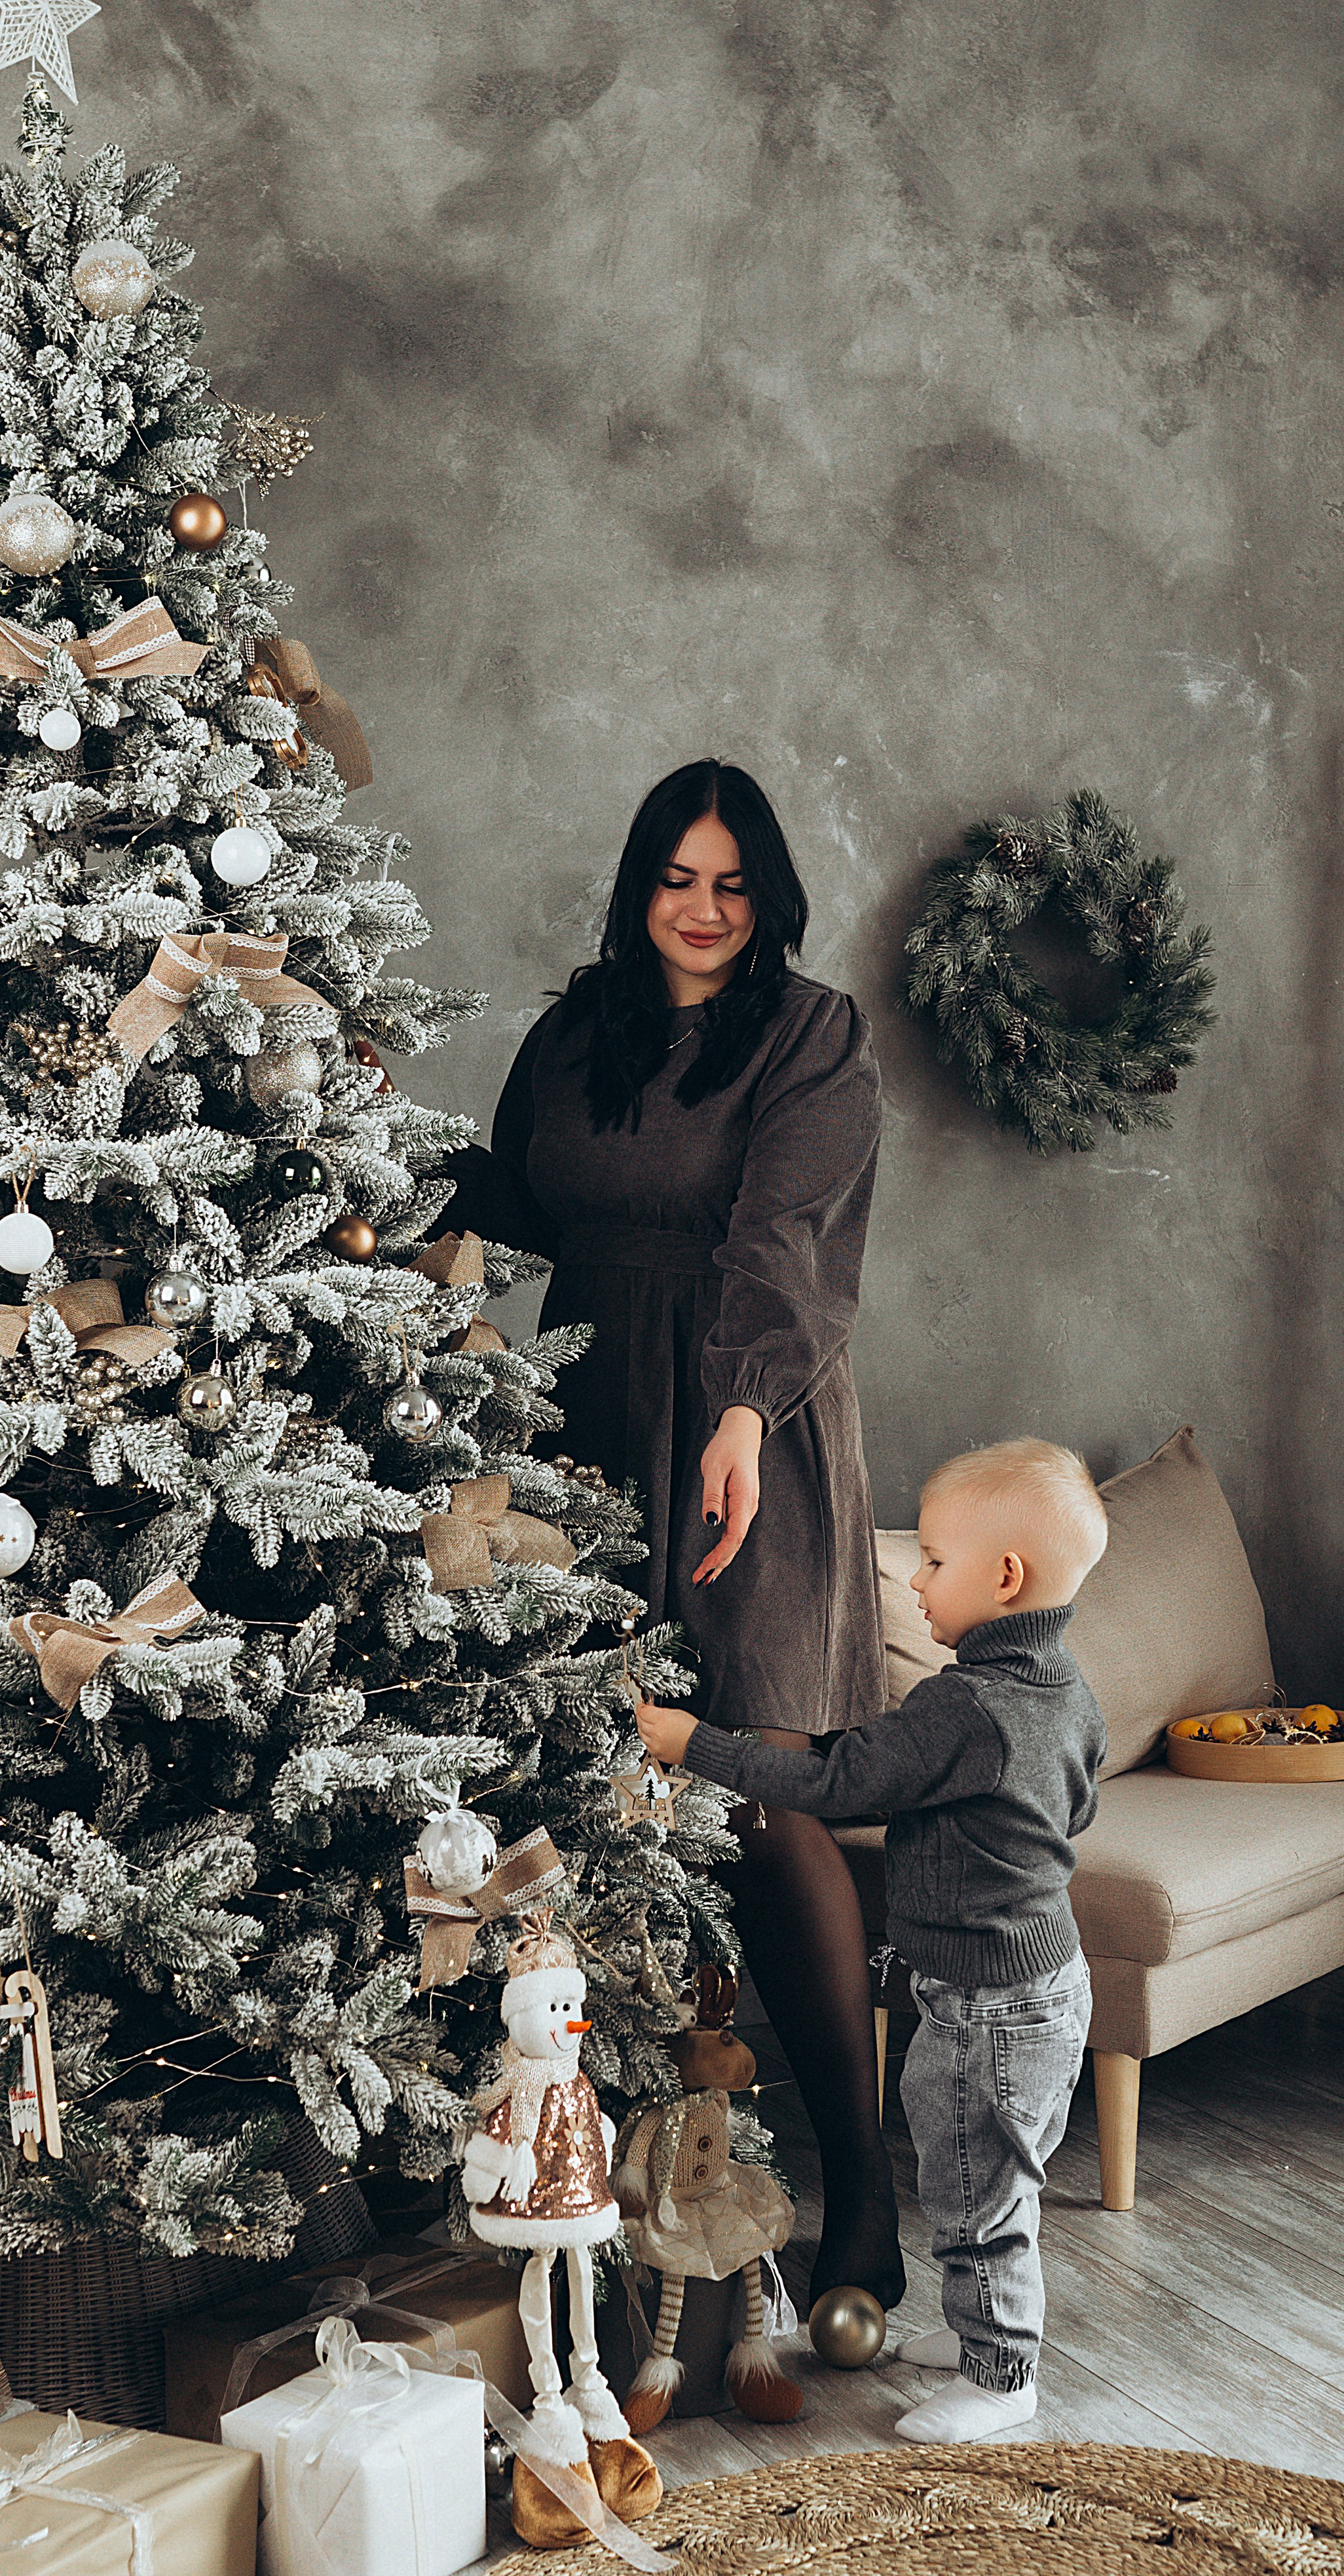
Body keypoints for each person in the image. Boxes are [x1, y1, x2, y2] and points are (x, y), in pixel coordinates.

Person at [441, 757, 903, 2307]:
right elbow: (527, 1206)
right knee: (610, 1792)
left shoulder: (808, 1033)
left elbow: (783, 1240)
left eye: (730, 884)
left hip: (743, 1427)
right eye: (674, 879)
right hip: (587, 1417)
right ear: (639, 886)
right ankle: (649, 2203)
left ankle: (861, 2197)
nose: (701, 911)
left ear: (767, 897)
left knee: (757, 1793)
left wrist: (740, 1411)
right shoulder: (578, 1032)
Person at [639, 1437, 1109, 2442]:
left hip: (988, 2005)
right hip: (1046, 1978)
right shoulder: (1067, 1688)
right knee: (994, 2178)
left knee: (975, 2191)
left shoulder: (961, 1707)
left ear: (1006, 1578)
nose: (917, 1580)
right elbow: (1077, 1805)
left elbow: (832, 1782)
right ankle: (980, 2334)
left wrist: (694, 1743)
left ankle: (1002, 2378)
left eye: (933, 1561)